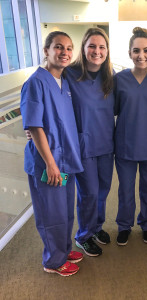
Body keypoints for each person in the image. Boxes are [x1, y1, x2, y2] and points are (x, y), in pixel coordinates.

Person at [20, 31, 84, 276]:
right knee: (51, 213)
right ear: (46, 51)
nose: (64, 52)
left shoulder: (64, 82)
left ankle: (64, 249)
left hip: (65, 161)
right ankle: (53, 261)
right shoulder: (36, 82)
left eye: (69, 48)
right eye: (58, 47)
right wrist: (50, 162)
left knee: (66, 209)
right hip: (48, 164)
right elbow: (34, 126)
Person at [65, 28, 115, 257]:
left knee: (103, 191)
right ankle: (83, 235)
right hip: (84, 145)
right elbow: (50, 98)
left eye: (101, 47)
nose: (97, 51)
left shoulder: (110, 78)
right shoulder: (69, 75)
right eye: (92, 46)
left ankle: (96, 227)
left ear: (107, 51)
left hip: (106, 143)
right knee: (89, 193)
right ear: (84, 49)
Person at [114, 27, 147, 246]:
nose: (140, 55)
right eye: (136, 51)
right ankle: (124, 225)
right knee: (125, 189)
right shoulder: (119, 79)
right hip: (125, 143)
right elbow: (112, 110)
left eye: (145, 50)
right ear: (129, 53)